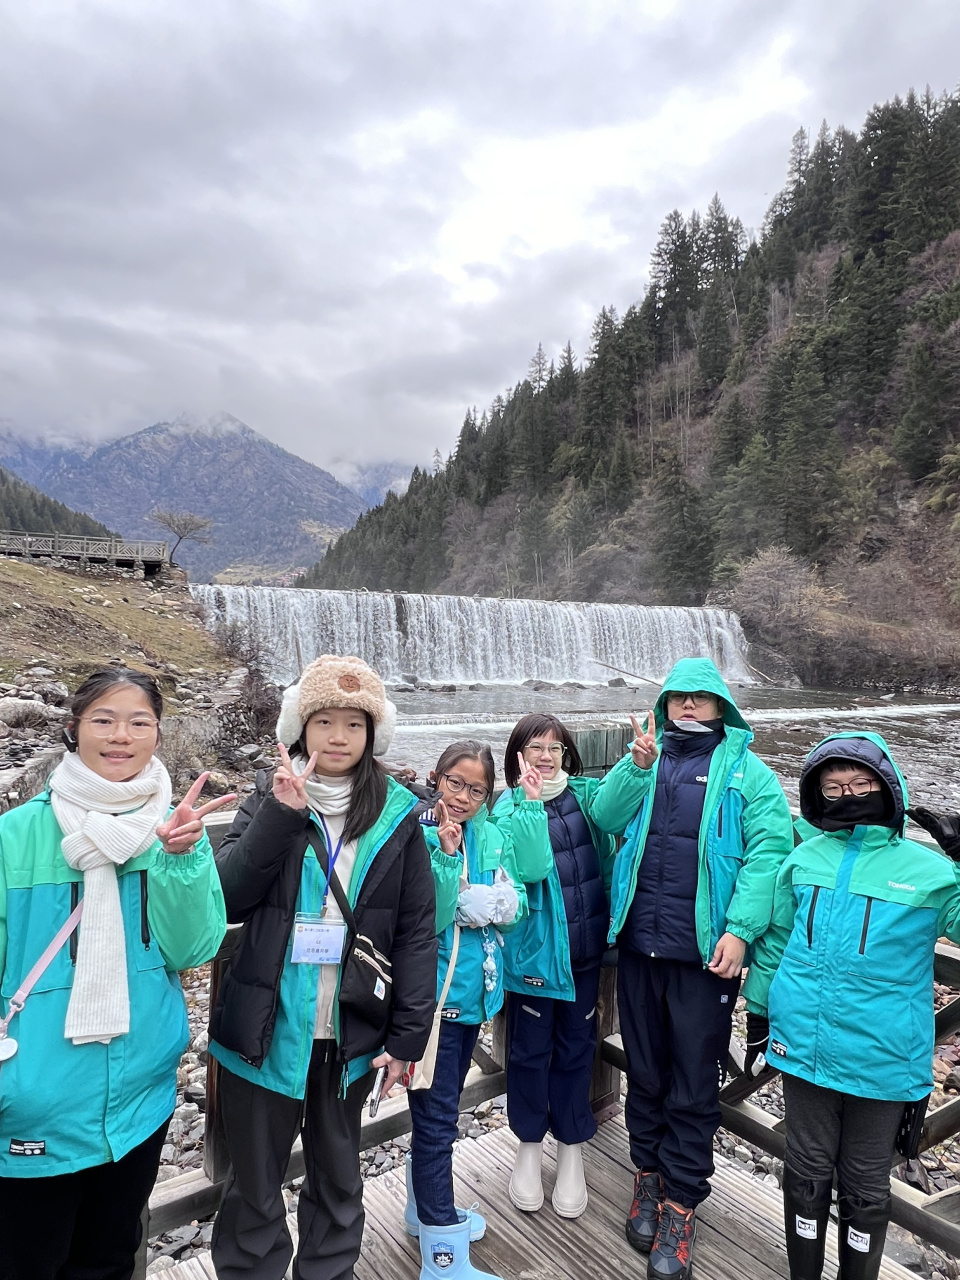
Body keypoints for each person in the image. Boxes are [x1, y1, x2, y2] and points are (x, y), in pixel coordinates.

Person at [208, 654, 438, 1280]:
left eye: (354, 724)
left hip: (351, 1033)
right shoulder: (269, 796)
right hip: (265, 1027)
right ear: (300, 728)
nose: (339, 737)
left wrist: (408, 1037)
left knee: (339, 1178)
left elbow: (417, 932)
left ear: (373, 734)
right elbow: (227, 897)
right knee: (254, 1184)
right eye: (325, 722)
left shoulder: (399, 815)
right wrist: (281, 815)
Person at [0, 667, 230, 1280]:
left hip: (139, 1098)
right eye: (103, 719)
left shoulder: (171, 831)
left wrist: (183, 860)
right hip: (33, 1099)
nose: (120, 735)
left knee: (108, 1260)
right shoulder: (15, 837)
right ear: (74, 728)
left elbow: (192, 948)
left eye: (138, 722)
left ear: (158, 734)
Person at [590, 656, 793, 1280]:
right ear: (665, 703)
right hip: (639, 949)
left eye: (699, 697)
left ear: (721, 706)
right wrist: (634, 766)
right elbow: (604, 817)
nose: (687, 705)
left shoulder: (749, 774)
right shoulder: (645, 759)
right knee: (646, 1072)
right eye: (678, 695)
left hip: (705, 958)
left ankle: (681, 1203)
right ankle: (647, 1176)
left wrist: (741, 930)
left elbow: (770, 853)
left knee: (693, 1084)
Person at [743, 733, 960, 1280]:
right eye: (834, 787)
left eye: (861, 784)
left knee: (865, 1184)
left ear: (888, 786)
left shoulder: (932, 871)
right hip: (804, 1044)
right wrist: (760, 1011)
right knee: (805, 1170)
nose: (848, 795)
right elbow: (778, 939)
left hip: (883, 1055)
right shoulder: (803, 857)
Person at [404, 740, 526, 1280]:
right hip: (436, 1000)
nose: (463, 797)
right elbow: (426, 917)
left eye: (476, 789)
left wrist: (501, 902)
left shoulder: (491, 833)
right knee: (436, 1123)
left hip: (475, 995)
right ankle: (443, 1259)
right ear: (436, 778)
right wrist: (449, 862)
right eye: (455, 783)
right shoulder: (418, 831)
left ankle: (424, 1213)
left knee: (439, 1115)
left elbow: (515, 904)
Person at [489, 714, 619, 1220]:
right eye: (535, 747)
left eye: (555, 748)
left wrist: (637, 766)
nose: (545, 756)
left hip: (584, 953)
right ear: (518, 755)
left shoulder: (584, 796)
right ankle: (527, 1145)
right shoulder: (507, 807)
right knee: (529, 1052)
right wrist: (528, 803)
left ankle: (570, 1146)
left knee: (576, 1049)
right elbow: (532, 868)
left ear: (566, 754)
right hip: (536, 958)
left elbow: (618, 810)